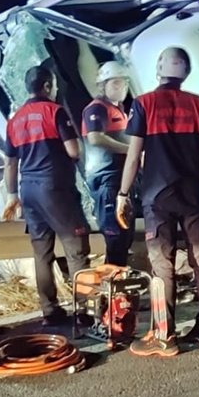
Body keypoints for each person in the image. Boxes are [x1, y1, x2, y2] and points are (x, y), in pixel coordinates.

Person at [118, 46, 199, 357]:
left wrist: (122, 194)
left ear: (159, 68)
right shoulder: (198, 103)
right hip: (193, 194)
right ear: (185, 72)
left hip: (157, 196)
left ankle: (165, 336)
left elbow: (134, 155)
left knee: (163, 266)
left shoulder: (144, 103)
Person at [2, 63, 92, 326]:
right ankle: (83, 311)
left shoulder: (14, 120)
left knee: (42, 252)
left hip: (28, 190)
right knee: (76, 249)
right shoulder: (54, 112)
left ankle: (49, 311)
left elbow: (10, 162)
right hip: (54, 188)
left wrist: (11, 195)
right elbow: (74, 151)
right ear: (47, 86)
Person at [81, 61, 135, 266]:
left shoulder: (119, 109)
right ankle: (112, 287)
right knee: (115, 236)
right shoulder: (96, 109)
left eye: (124, 83)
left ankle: (121, 286)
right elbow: (95, 138)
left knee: (124, 235)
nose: (121, 88)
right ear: (103, 86)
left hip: (121, 180)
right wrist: (130, 150)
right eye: (115, 84)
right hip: (107, 180)